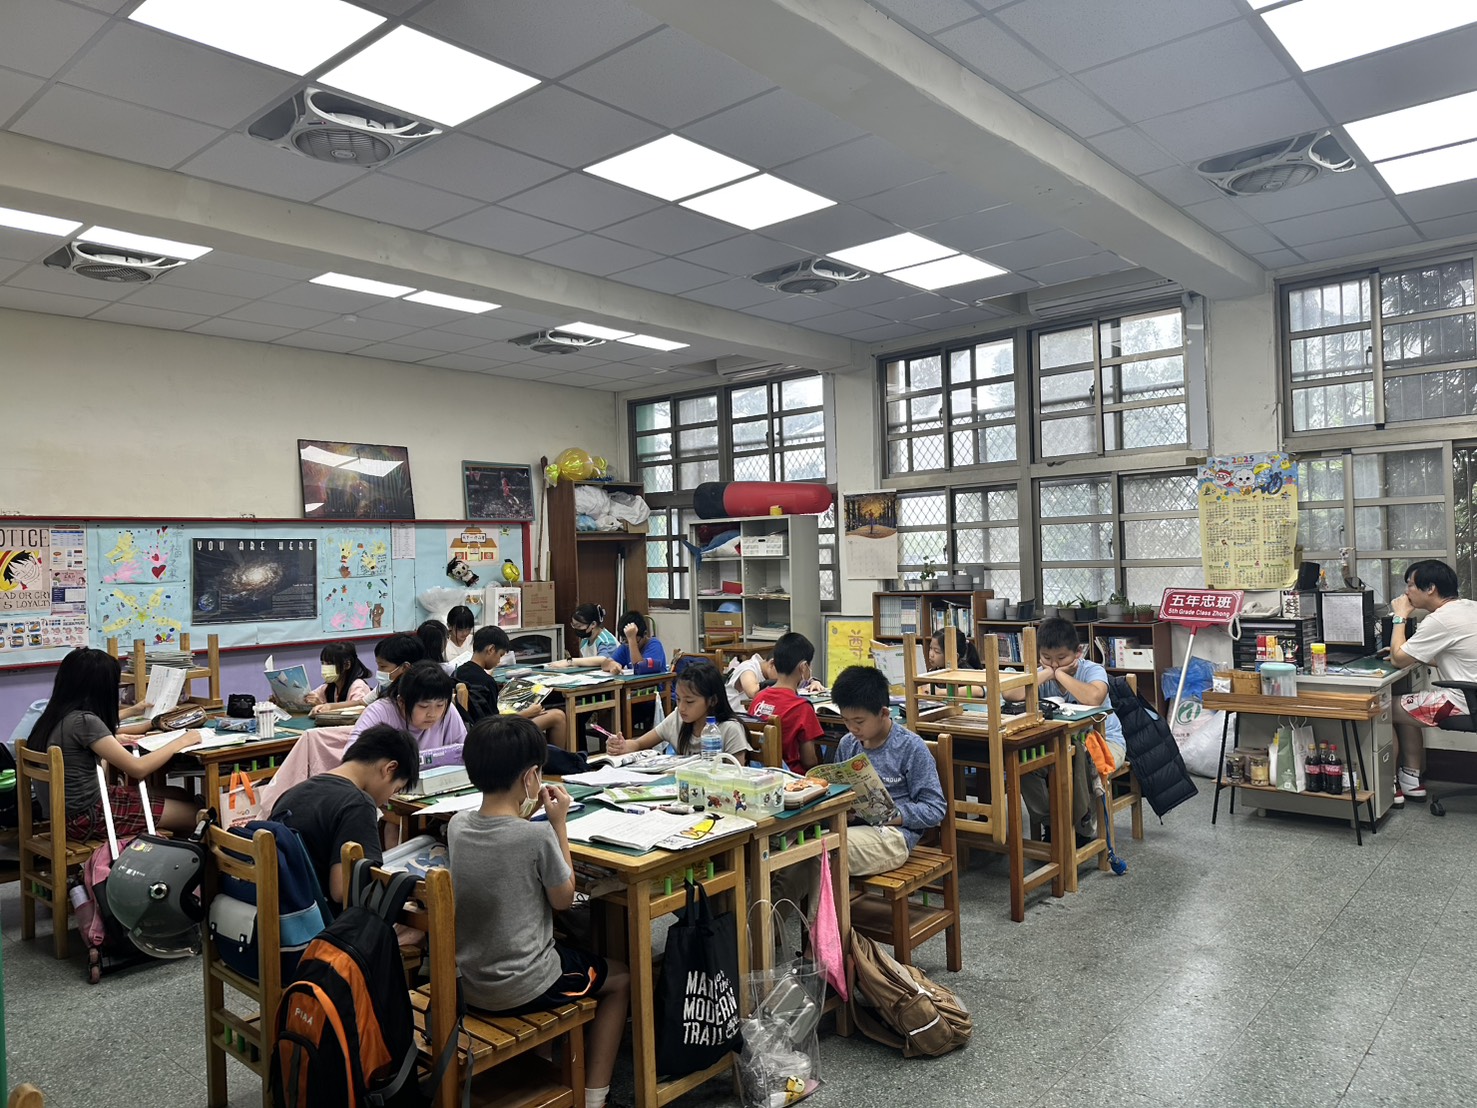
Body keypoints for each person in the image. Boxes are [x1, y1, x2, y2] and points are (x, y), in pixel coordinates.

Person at [448, 717, 630, 1108]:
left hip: (471, 983)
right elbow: (564, 898)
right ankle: (595, 1096)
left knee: (571, 948)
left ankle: (543, 1065)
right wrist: (557, 824)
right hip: (525, 985)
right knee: (621, 977)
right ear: (531, 776)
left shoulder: (457, 825)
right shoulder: (535, 835)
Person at [26, 647, 204, 839]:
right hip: (90, 817)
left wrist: (148, 724)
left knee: (179, 794)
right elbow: (138, 768)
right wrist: (182, 741)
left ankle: (173, 849)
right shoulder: (84, 721)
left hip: (73, 814)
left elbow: (103, 731)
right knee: (199, 815)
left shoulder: (54, 716)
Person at [268, 724, 419, 909]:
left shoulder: (292, 793)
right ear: (389, 768)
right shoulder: (358, 804)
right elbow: (343, 891)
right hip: (320, 920)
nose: (387, 800)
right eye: (395, 789)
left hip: (276, 908)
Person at [1009, 617, 1124, 840]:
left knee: (1080, 760)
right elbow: (1010, 694)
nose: (1054, 664)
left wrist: (1060, 675)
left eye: (1061, 658)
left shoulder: (1092, 670)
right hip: (1057, 744)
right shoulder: (1041, 673)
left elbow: (1094, 698)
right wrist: (1047, 673)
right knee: (1023, 764)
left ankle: (1082, 827)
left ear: (1078, 652)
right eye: (1047, 658)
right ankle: (1053, 824)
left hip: (1105, 742)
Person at [829, 665, 946, 876]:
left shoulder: (910, 747)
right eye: (846, 721)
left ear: (884, 713)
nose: (852, 728)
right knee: (800, 853)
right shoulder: (848, 744)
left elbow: (935, 808)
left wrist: (893, 815)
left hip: (894, 835)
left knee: (826, 851)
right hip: (854, 829)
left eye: (859, 721)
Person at [1389, 559, 1477, 807]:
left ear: (1430, 589)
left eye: (1410, 585)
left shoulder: (1440, 620)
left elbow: (1397, 660)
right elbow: (1460, 657)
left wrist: (1400, 617)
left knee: (1382, 709)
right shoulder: (1470, 607)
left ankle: (1389, 783)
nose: (1406, 591)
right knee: (1406, 706)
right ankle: (1411, 779)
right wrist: (1413, 653)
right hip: (1472, 695)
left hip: (1461, 702)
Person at [605, 661, 751, 759]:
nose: (681, 708)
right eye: (678, 699)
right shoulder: (677, 719)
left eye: (689, 701)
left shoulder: (730, 729)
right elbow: (639, 744)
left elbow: (737, 779)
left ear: (713, 700)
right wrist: (622, 746)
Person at [457, 625, 568, 747]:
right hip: (493, 737)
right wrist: (527, 713)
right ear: (491, 650)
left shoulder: (459, 671)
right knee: (558, 716)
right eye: (500, 655)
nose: (499, 661)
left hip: (474, 733)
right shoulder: (487, 681)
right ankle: (556, 758)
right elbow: (496, 723)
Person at [352, 660, 466, 760]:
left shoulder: (448, 710)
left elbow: (464, 751)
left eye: (440, 705)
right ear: (401, 702)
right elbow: (353, 757)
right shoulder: (379, 712)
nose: (432, 714)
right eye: (423, 706)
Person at [749, 632, 826, 772]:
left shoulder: (759, 698)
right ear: (803, 667)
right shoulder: (802, 708)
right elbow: (809, 761)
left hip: (759, 773)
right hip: (792, 777)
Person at [303, 640, 374, 718]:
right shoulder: (328, 686)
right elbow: (311, 696)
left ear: (346, 665)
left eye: (330, 663)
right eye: (323, 663)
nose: (325, 667)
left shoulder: (358, 686)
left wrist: (322, 707)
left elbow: (356, 713)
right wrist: (308, 699)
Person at [365, 632, 427, 704]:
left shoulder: (419, 693)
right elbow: (363, 702)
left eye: (382, 666)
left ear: (405, 667)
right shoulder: (385, 686)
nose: (379, 671)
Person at [920, 628, 983, 696]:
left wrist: (941, 692)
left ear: (954, 656)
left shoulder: (964, 671)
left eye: (937, 651)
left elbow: (979, 690)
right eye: (930, 648)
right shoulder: (936, 670)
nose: (931, 654)